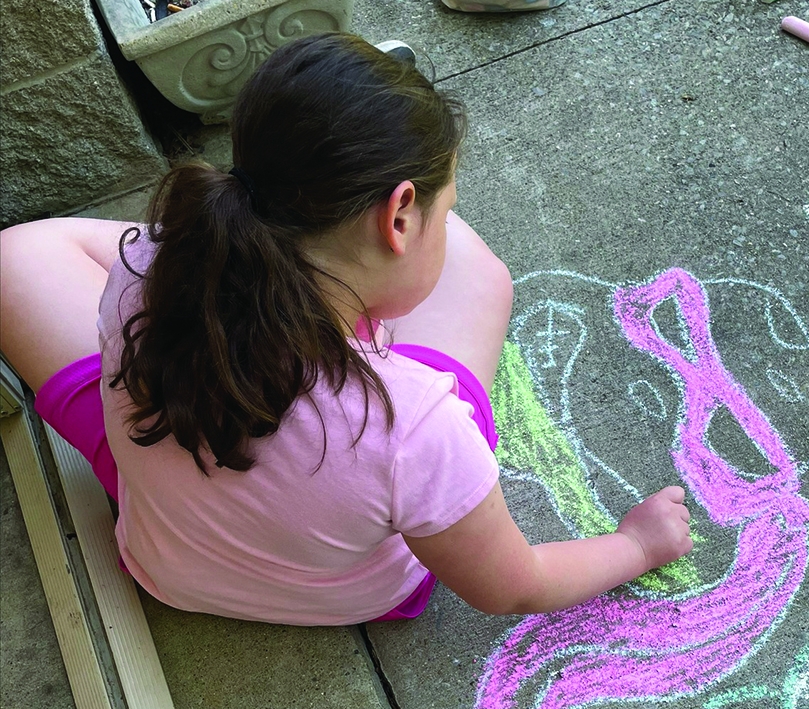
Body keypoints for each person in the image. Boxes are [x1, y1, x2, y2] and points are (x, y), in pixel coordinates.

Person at [0, 33, 691, 626]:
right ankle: (332, 278)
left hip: (163, 539)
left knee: (17, 257)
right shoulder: (413, 424)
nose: (443, 226)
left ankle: (293, 265)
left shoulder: (149, 266)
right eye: (441, 212)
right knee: (478, 275)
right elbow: (512, 587)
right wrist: (636, 545)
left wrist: (194, 254)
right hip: (341, 588)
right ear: (399, 216)